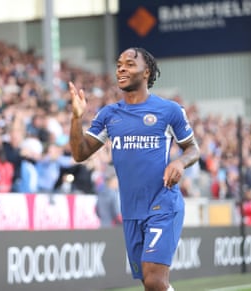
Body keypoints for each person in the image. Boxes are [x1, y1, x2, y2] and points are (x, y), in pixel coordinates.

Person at [69, 47, 200, 291]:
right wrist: (77, 118)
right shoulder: (109, 114)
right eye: (119, 64)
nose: (121, 68)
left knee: (155, 280)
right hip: (131, 209)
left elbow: (193, 148)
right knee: (149, 283)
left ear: (146, 72)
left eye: (129, 64)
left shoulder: (169, 110)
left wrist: (180, 162)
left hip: (163, 203)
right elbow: (80, 153)